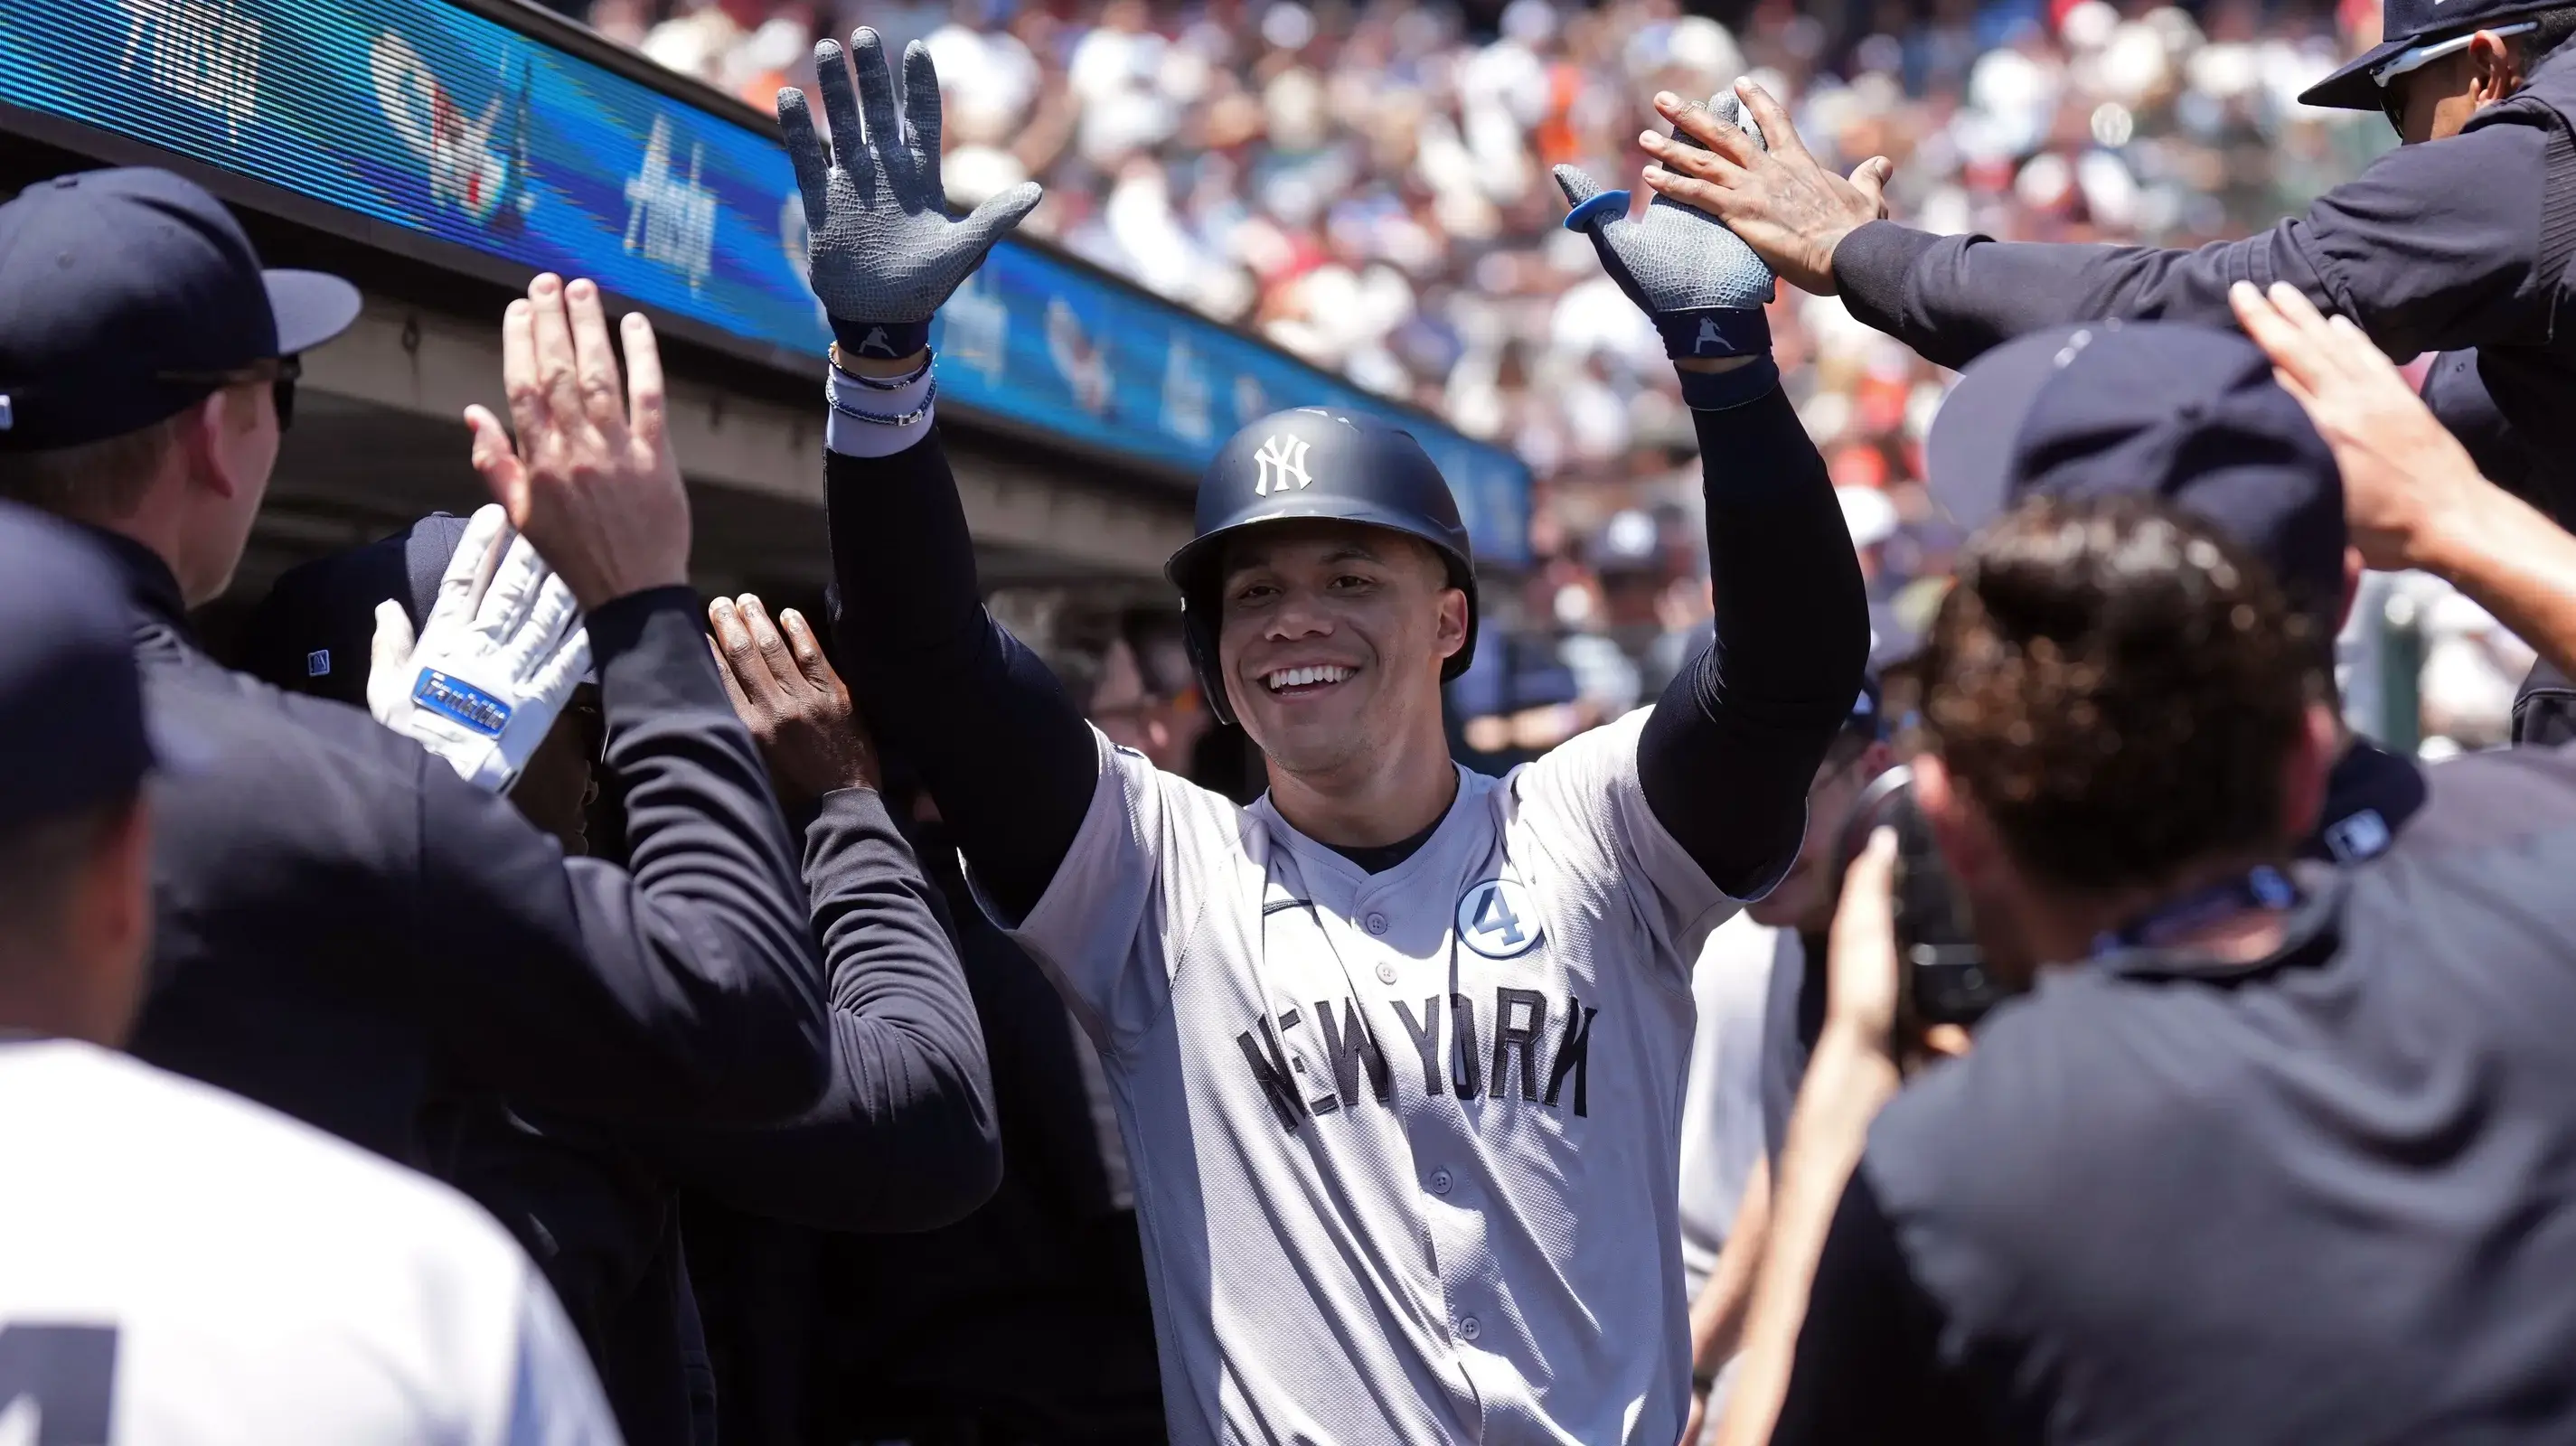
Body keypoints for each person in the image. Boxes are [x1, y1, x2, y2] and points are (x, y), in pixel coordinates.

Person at [778, 33, 1866, 1444]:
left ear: (1452, 623)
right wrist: (878, 375)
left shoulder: (1592, 835)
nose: (1297, 621)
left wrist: (1727, 374)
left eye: (1352, 580)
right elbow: (931, 664)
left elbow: (1791, 674)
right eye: (1258, 592)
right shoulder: (1155, 877)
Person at [1725, 322, 2576, 1446]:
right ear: (2303, 746)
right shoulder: (2532, 880)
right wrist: (2459, 521)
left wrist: (1851, 1085)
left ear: (1955, 818)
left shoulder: (1963, 1163)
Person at [0, 166, 828, 1166]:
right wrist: (641, 602)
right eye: (282, 390)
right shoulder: (335, 797)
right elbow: (749, 1027)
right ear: (218, 439)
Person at [240, 525, 999, 1446]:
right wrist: (841, 802)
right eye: (588, 721)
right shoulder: (555, 978)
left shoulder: (195, 972)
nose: (603, 772)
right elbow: (934, 1114)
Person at [1640, 5, 2576, 737]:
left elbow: (2221, 309)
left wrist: (1862, 253)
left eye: (2404, 112)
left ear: (2487, 67)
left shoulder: (2535, 158)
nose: (2408, 153)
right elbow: (2472, 419)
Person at [0, 501, 623, 1443]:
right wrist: (404, 822)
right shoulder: (418, 1283)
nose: (598, 763)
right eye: (585, 714)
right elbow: (865, 1090)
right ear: (131, 867)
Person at [1672, 680, 1893, 1443]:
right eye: (1721, 795)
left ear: (1877, 768)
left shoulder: (1916, 961)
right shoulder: (1790, 927)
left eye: (1796, 790)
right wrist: (1696, 1364)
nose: (1754, 826)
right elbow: (1797, 1159)